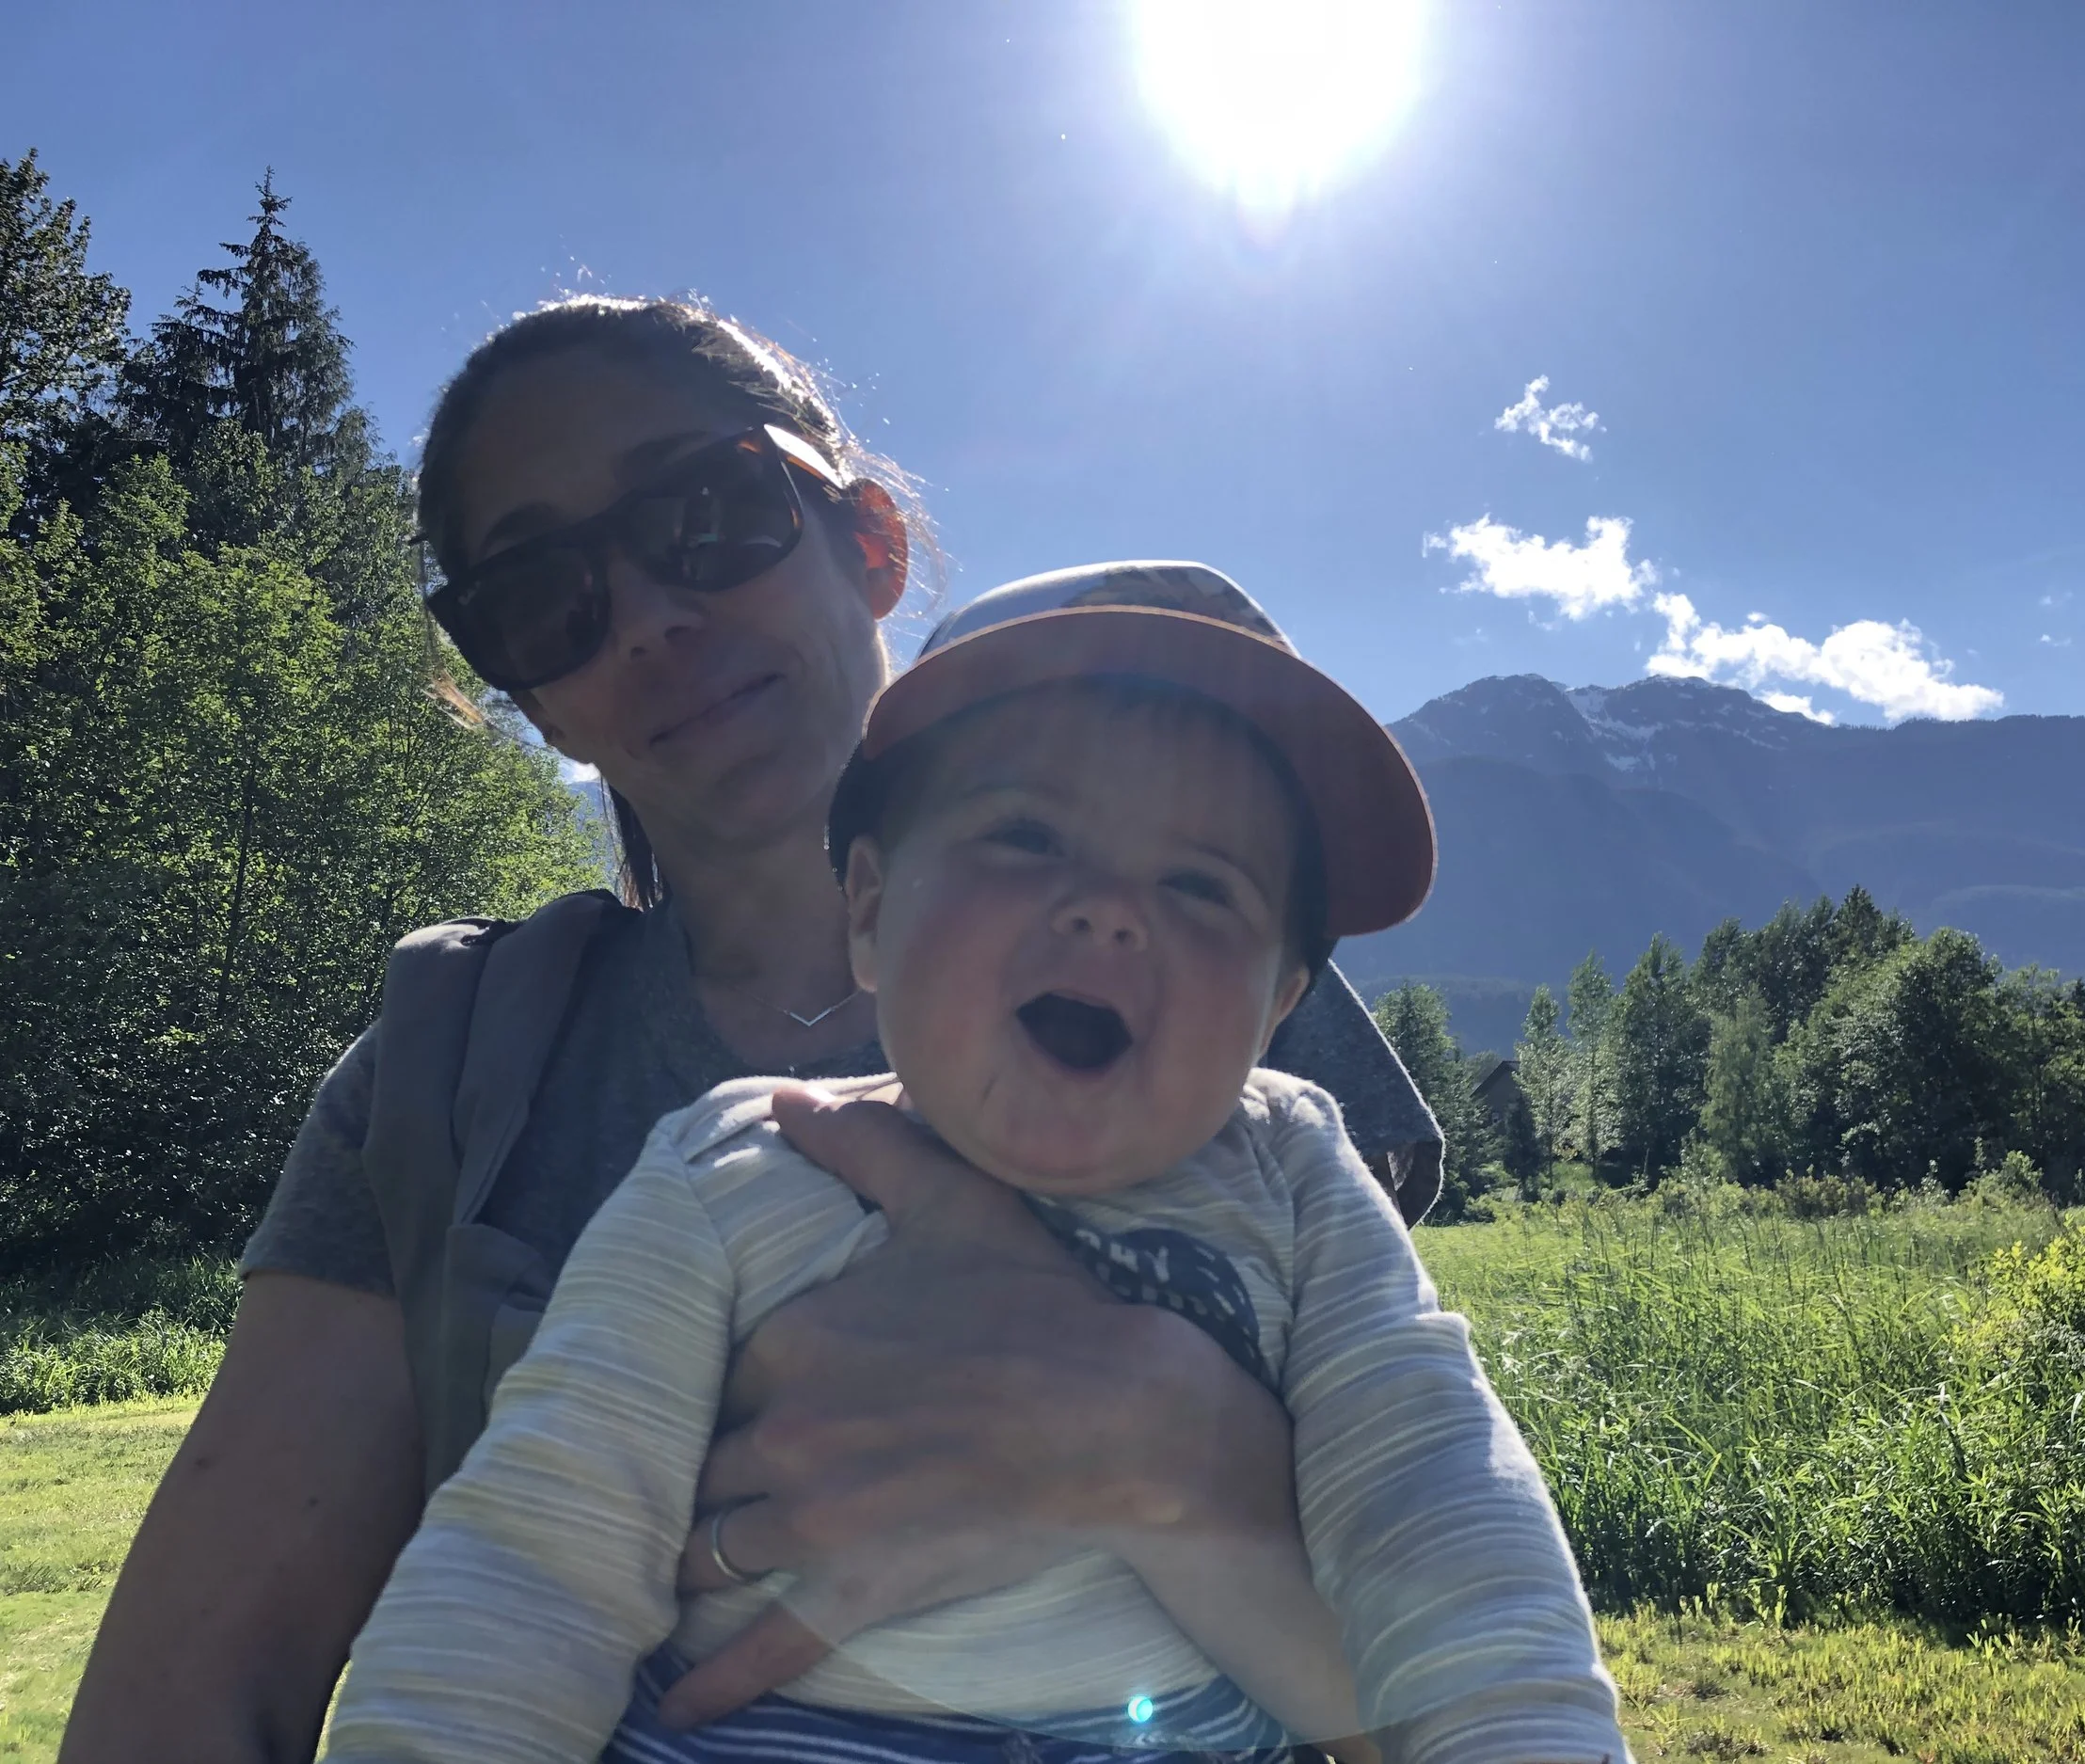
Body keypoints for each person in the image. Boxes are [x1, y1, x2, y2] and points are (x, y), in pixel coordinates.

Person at [60, 298, 1444, 1764]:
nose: (650, 616)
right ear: (526, 691)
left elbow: (1454, 1636)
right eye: (541, 593)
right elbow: (195, 1695)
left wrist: (1178, 1456)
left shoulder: (1209, 986)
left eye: (706, 509)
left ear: (870, 543)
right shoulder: (444, 1073)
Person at [322, 566, 1626, 1764]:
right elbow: (538, 1558)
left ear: (1281, 1004)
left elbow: (1444, 1522)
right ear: (874, 912)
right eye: (1026, 838)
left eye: (1202, 885)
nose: (1111, 908)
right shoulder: (735, 1159)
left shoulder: (1295, 1178)